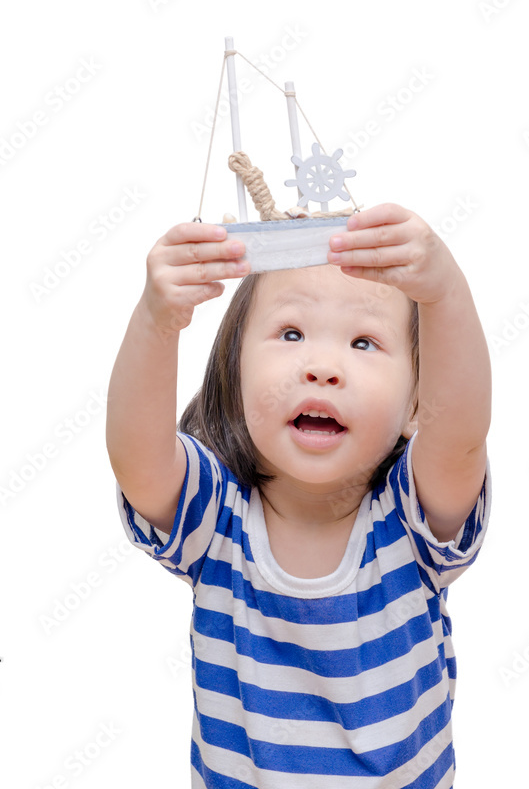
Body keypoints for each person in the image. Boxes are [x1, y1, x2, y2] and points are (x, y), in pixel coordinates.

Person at [106, 201, 492, 788]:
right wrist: (156, 322)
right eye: (291, 332)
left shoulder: (413, 523)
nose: (322, 366)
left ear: (418, 404)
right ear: (234, 374)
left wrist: (445, 295)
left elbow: (461, 436)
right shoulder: (215, 521)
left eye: (364, 342)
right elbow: (137, 457)